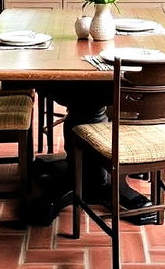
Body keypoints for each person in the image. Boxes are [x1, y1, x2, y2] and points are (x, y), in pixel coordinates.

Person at [27, 80, 155, 226]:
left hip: (85, 83)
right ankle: (93, 175)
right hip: (106, 83)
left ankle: (86, 176)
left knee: (87, 97)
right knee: (90, 98)